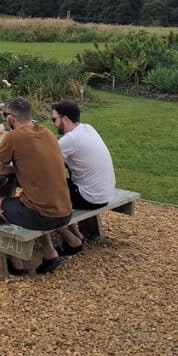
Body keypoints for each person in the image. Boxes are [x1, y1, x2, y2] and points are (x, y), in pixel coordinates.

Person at [0, 97, 71, 274]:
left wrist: (15, 170)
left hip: (43, 216)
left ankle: (14, 259)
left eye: (6, 116)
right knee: (31, 200)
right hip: (65, 211)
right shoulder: (47, 133)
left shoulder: (14, 137)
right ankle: (50, 253)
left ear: (11, 118)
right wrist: (20, 169)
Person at [49, 100, 116, 255]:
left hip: (89, 198)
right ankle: (76, 232)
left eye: (54, 119)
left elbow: (44, 162)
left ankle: (72, 241)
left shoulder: (70, 139)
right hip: (105, 193)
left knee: (42, 193)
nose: (53, 123)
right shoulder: (88, 129)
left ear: (64, 119)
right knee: (58, 185)